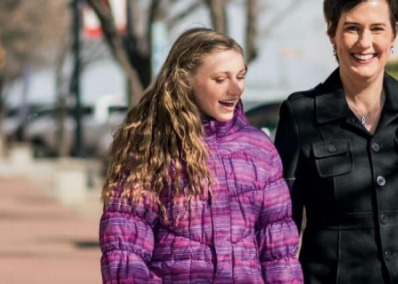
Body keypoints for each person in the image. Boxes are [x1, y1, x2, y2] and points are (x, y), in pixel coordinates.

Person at [99, 28, 302, 283]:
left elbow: (278, 250)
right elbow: (125, 246)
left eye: (240, 76)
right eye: (220, 79)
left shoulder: (259, 149)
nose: (235, 89)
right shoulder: (151, 146)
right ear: (187, 80)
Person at [273, 0, 398, 283]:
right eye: (352, 28)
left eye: (377, 28)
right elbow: (283, 226)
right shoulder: (301, 115)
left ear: (393, 33)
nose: (364, 42)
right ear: (332, 32)